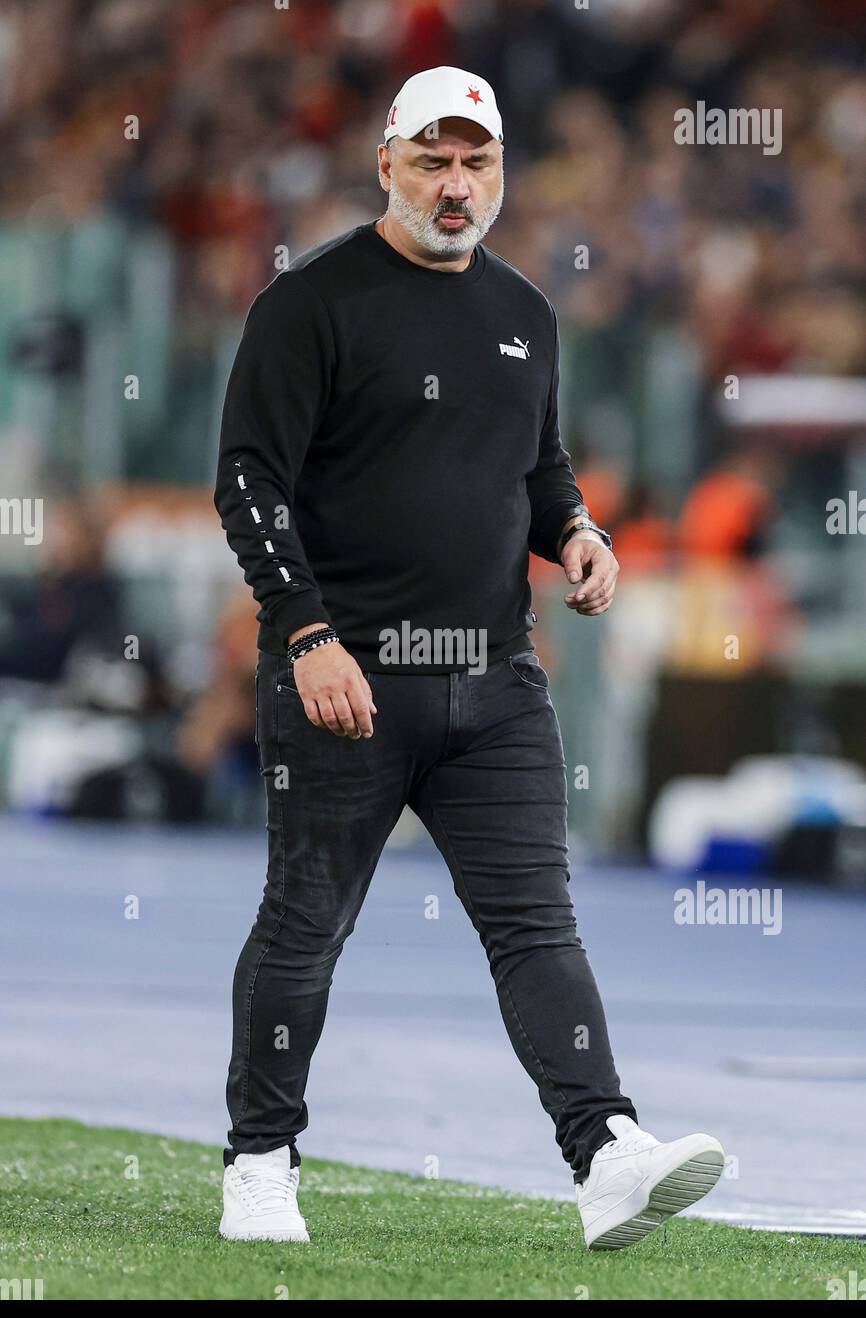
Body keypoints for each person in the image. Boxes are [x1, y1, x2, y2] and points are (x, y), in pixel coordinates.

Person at [213, 66, 724, 1250]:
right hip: (344, 679)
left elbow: (533, 469)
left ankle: (604, 1149)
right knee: (304, 923)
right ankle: (258, 1158)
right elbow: (248, 482)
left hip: (495, 682)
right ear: (385, 162)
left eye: (476, 162)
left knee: (537, 925)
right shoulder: (309, 304)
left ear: (500, 171)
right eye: (433, 161)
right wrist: (304, 635)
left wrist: (579, 533)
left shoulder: (526, 313)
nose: (456, 186)